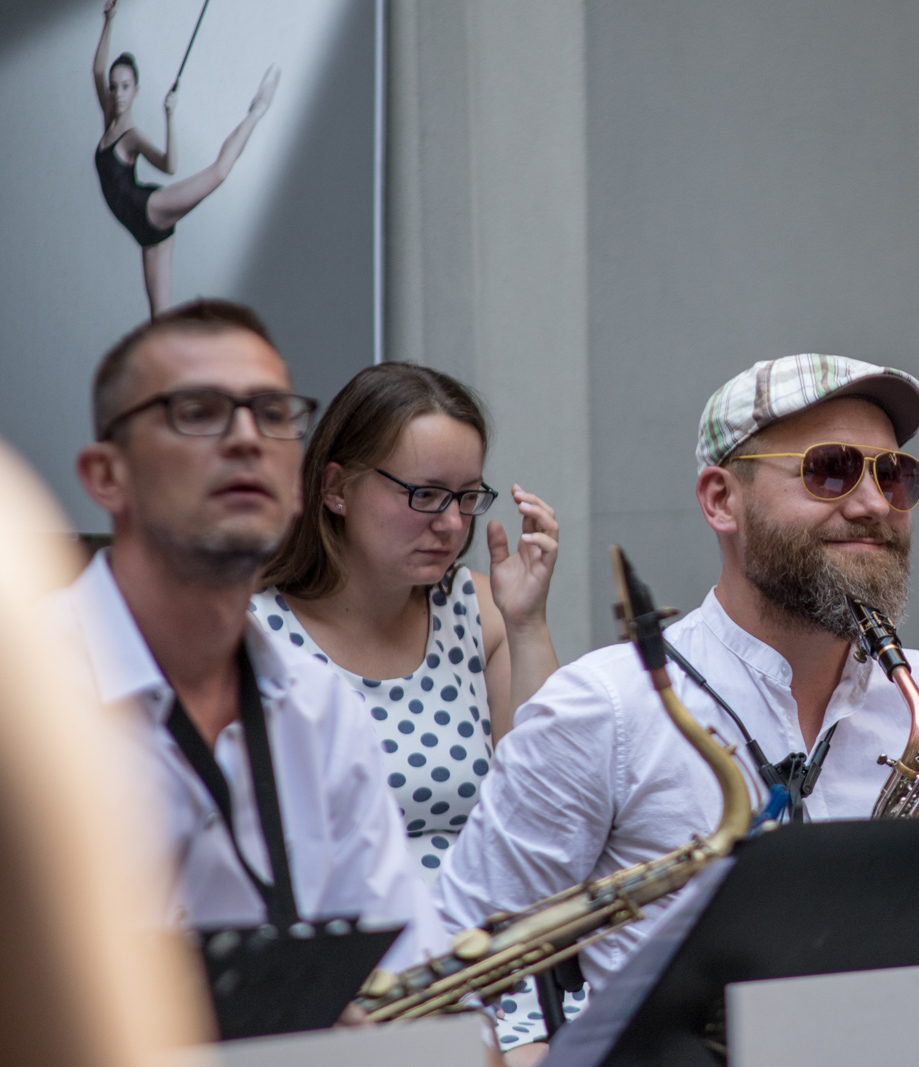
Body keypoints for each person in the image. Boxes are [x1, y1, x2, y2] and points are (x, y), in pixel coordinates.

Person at [440, 355, 919, 1057]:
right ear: (720, 499)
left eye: (893, 474)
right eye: (830, 471)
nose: (873, 502)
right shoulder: (601, 706)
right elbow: (460, 961)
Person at [51, 299, 445, 977]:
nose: (246, 438)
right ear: (106, 476)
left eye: (271, 413)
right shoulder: (28, 687)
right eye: (197, 412)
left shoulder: (320, 705)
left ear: (298, 485)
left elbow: (417, 974)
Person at [253, 362, 561, 878]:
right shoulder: (252, 634)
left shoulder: (482, 613)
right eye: (425, 494)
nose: (452, 524)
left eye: (467, 498)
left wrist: (526, 624)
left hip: (485, 939)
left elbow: (553, 805)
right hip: (345, 945)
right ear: (337, 489)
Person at [93, 0, 278, 317]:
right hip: (145, 233)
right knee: (159, 323)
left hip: (150, 210)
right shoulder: (109, 119)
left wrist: (169, 117)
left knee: (218, 173)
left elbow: (169, 165)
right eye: (114, 88)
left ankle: (256, 111)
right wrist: (110, 19)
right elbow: (98, 69)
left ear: (136, 90)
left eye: (125, 87)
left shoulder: (131, 135)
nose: (118, 93)